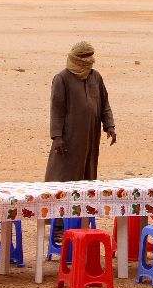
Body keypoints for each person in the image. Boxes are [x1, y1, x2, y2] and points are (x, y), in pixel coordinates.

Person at [45, 41, 116, 240]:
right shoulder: (62, 78)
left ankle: (83, 219)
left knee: (87, 176)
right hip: (69, 139)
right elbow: (56, 109)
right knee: (63, 178)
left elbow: (104, 103)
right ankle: (58, 225)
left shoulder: (96, 77)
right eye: (84, 58)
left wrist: (109, 125)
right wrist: (57, 136)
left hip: (91, 137)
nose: (88, 61)